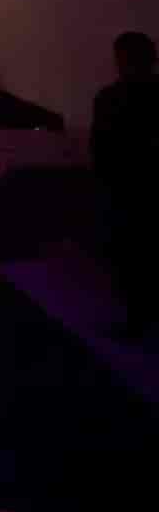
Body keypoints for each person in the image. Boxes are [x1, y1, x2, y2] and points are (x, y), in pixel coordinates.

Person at [90, 31, 159, 339]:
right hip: (146, 189)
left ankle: (135, 320)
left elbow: (100, 149)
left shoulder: (109, 98)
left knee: (129, 258)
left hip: (122, 191)